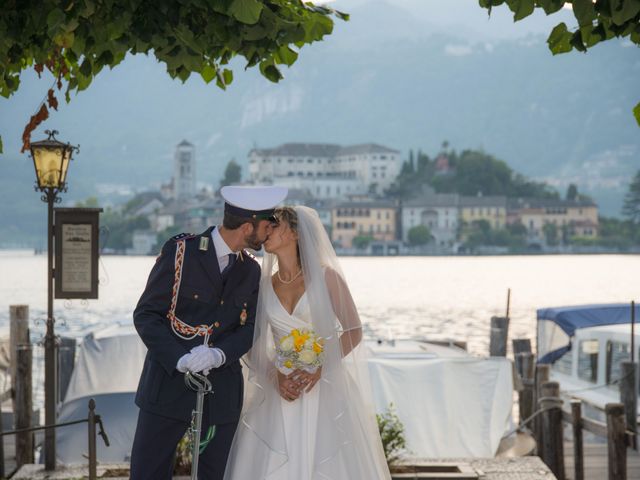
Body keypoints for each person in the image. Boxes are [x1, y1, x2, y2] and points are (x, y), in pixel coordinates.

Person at [130, 185, 288, 480]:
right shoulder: (180, 252)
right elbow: (146, 315)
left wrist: (219, 353)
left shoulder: (251, 271)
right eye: (266, 225)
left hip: (221, 396)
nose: (268, 233)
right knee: (147, 474)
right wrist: (180, 359)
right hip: (166, 388)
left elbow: (251, 326)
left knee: (213, 476)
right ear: (246, 226)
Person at [224, 206, 391, 479]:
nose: (265, 231)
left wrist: (319, 368)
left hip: (321, 386)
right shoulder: (263, 285)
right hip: (277, 389)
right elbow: (252, 341)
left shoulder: (326, 278)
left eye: (273, 225)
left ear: (295, 233)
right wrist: (273, 375)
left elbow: (353, 330)